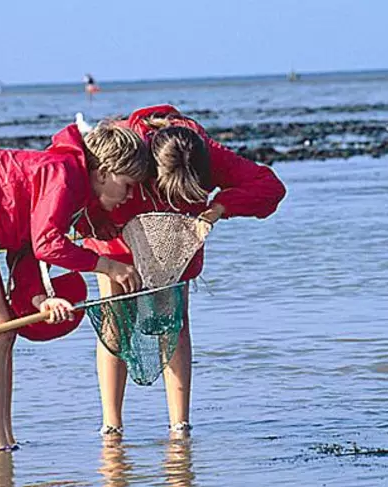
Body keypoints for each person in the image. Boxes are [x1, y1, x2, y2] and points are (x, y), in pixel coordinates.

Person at [0, 121, 148, 451]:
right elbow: (48, 246)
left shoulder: (73, 182)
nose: (128, 195)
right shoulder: (64, 175)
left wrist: (40, 300)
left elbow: (26, 250)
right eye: (126, 184)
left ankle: (6, 442)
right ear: (104, 172)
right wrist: (107, 266)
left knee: (4, 331)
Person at [82, 105, 287, 437]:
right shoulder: (129, 147)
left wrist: (220, 207)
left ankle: (179, 424)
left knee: (175, 321)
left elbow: (269, 187)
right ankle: (112, 425)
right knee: (115, 320)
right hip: (116, 232)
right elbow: (82, 182)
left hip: (175, 242)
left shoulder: (207, 154)